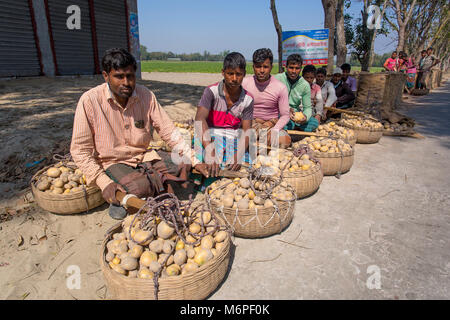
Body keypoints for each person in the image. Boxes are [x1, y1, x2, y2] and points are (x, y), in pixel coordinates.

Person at [70, 48, 208, 220]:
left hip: (144, 156)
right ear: (106, 76)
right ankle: (134, 190)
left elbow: (168, 131)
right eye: (119, 76)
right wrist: (104, 183)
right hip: (113, 161)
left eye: (130, 76)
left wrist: (194, 160)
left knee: (183, 163)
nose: (126, 82)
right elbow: (80, 150)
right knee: (138, 187)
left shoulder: (145, 95)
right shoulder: (90, 101)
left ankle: (143, 187)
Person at [194, 52, 254, 178]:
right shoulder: (211, 92)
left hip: (233, 136)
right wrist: (210, 151)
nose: (234, 78)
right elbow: (199, 120)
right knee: (209, 162)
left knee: (246, 167)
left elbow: (247, 130)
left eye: (238, 74)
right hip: (210, 134)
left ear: (244, 74)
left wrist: (238, 155)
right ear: (223, 72)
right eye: (230, 73)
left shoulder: (248, 99)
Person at [242, 48, 291, 148]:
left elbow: (285, 115)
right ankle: (258, 147)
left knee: (285, 140)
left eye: (265, 67)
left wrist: (275, 130)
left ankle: (258, 146)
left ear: (271, 67)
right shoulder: (244, 84)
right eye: (258, 66)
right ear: (253, 67)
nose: (262, 70)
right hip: (250, 124)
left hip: (270, 125)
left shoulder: (280, 87)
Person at [274, 54, 316, 132]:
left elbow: (307, 107)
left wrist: (305, 117)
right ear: (286, 67)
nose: (293, 71)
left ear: (301, 69)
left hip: (294, 115)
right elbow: (271, 101)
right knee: (283, 121)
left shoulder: (305, 85)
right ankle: (293, 127)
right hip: (278, 112)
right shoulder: (277, 79)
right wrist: (286, 110)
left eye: (297, 68)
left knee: (314, 123)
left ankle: (292, 127)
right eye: (291, 68)